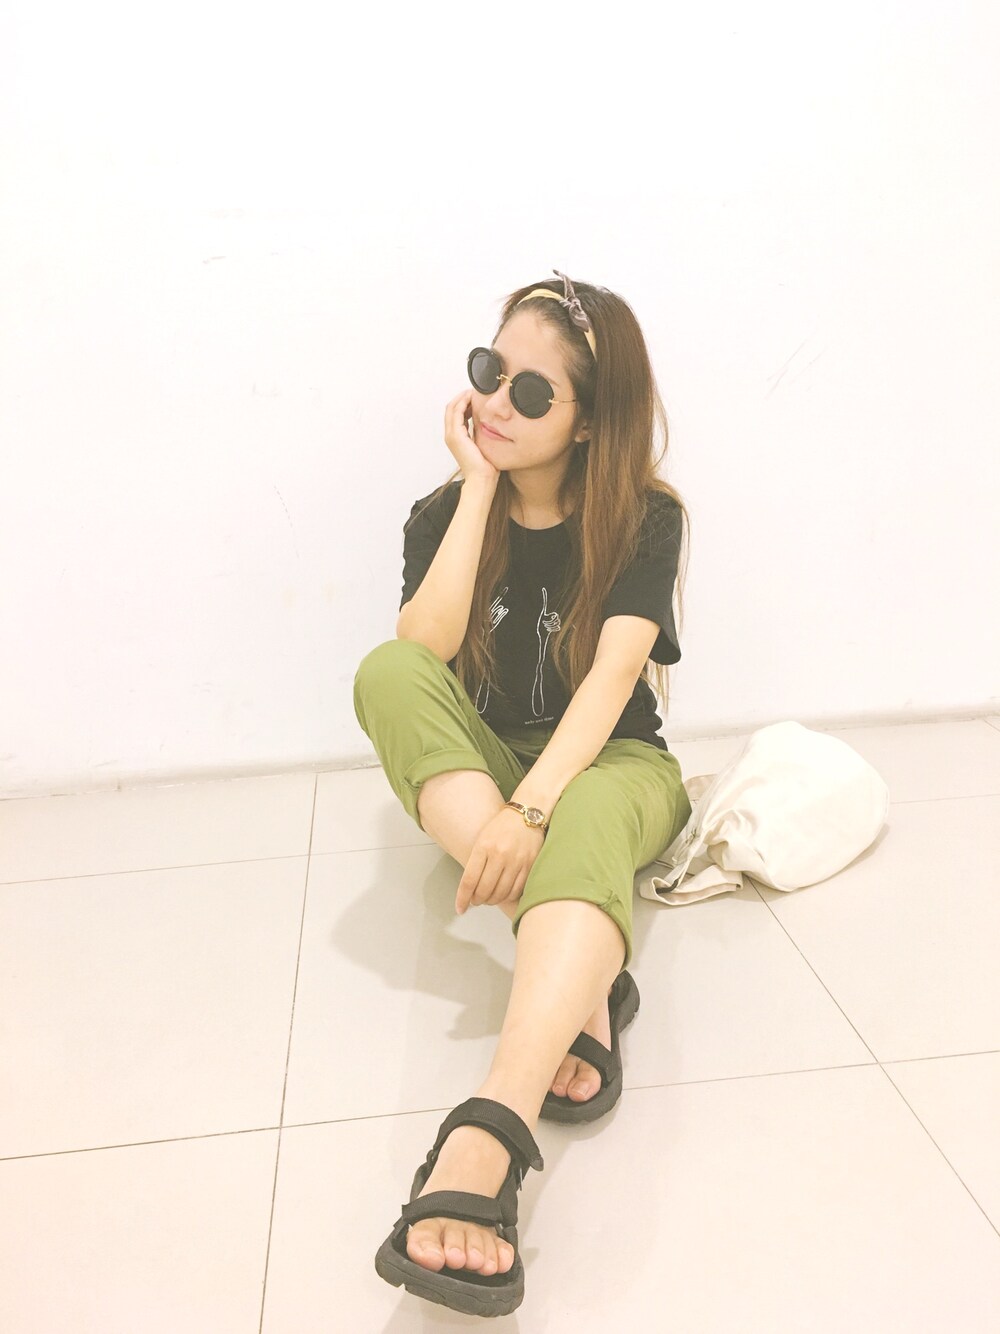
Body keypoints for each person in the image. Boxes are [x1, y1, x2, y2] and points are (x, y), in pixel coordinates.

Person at [354, 270, 693, 1317]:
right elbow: (424, 654)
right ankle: (584, 979)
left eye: (532, 392)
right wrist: (476, 487)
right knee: (383, 671)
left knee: (584, 809)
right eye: (488, 371)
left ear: (589, 420)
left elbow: (611, 683)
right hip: (490, 767)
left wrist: (531, 811)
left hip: (611, 767)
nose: (496, 402)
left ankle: (488, 1126)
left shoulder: (644, 517)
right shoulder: (443, 511)